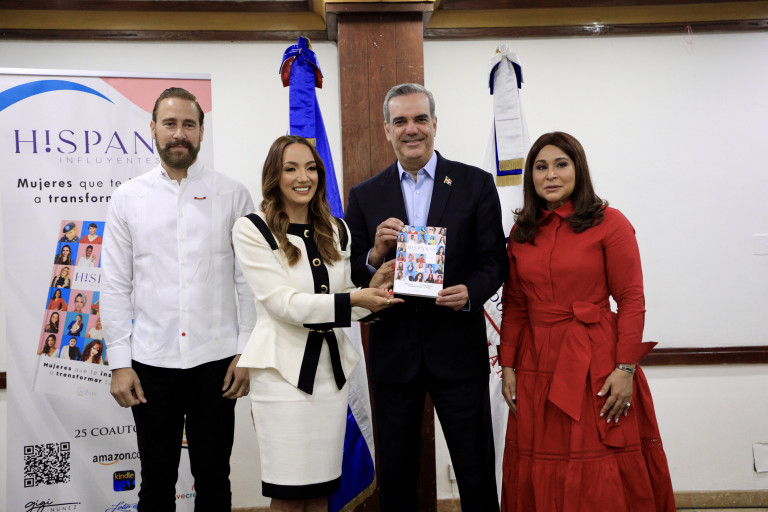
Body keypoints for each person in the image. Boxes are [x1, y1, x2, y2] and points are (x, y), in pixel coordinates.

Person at [345, 83, 507, 511]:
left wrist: (471, 292)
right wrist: (375, 255)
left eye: (420, 119)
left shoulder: (474, 183)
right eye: (400, 121)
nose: (411, 129)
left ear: (435, 123)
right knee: (397, 479)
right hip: (394, 355)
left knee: (475, 471)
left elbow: (495, 259)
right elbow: (353, 271)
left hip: (458, 350)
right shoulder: (365, 194)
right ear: (387, 130)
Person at [499, 132, 675, 511]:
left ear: (578, 169)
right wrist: (508, 365)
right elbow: (514, 305)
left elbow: (631, 299)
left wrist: (625, 368)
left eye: (561, 164)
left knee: (598, 463)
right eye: (541, 167)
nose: (550, 174)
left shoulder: (611, 223)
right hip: (535, 362)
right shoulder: (521, 232)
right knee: (542, 461)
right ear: (530, 177)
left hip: (597, 361)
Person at [101, 87, 257, 511]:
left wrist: (246, 352)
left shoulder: (233, 195)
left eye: (189, 124)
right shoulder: (127, 198)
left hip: (217, 361)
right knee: (156, 482)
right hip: (150, 362)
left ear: (202, 131)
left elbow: (247, 281)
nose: (179, 134)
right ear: (153, 129)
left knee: (214, 479)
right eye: (169, 124)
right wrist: (119, 363)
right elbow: (114, 284)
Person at [231, 135, 401, 512]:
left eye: (310, 168)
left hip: (330, 379)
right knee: (289, 496)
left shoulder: (337, 229)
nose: (302, 177)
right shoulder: (252, 229)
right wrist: (354, 298)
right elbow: (284, 304)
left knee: (322, 493)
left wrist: (373, 291)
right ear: (274, 176)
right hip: (281, 377)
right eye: (290, 169)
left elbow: (342, 301)